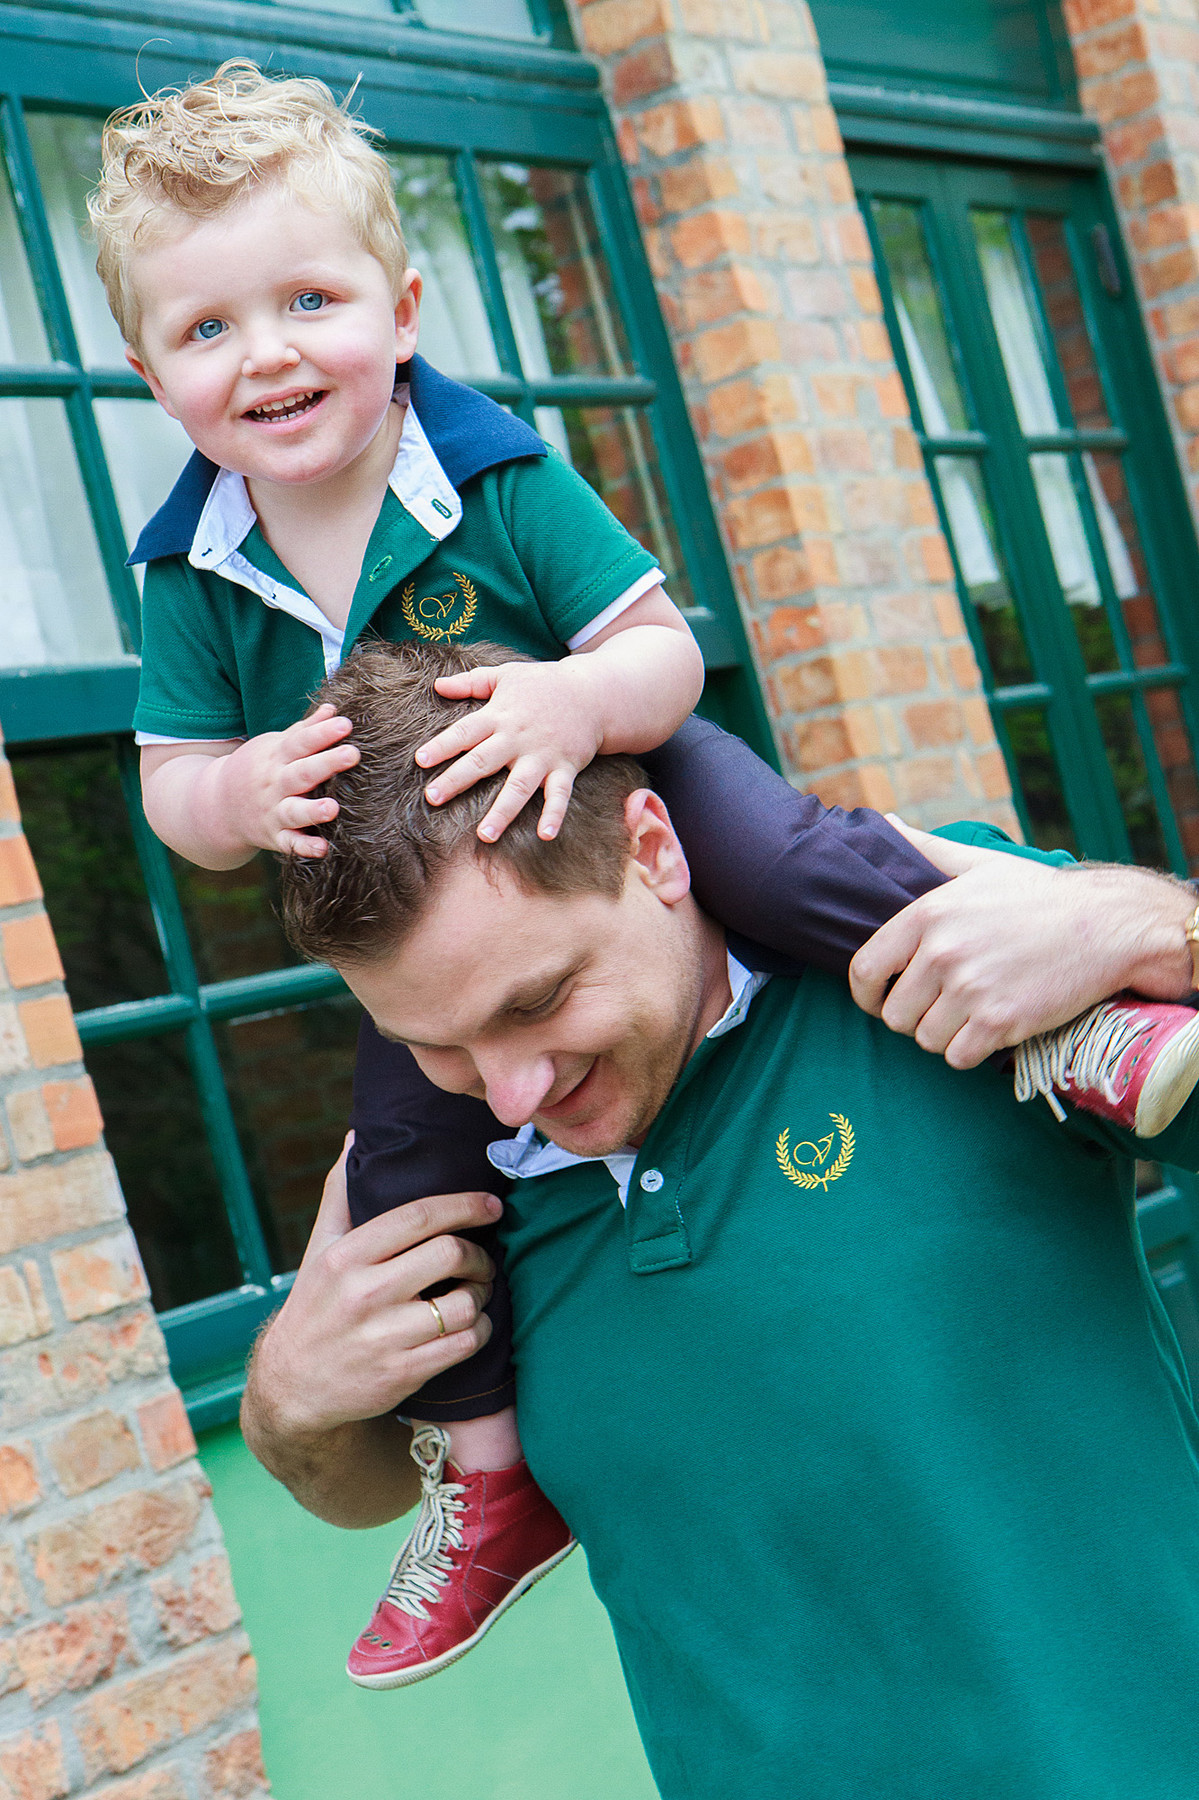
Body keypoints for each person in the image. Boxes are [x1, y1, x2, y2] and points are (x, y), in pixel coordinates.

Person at [87, 59, 1199, 1688]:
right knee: (405, 1147)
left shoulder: (491, 478)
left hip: (616, 765)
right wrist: (289, 1392)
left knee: (796, 858)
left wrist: (1136, 929)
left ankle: (1073, 1034)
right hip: (397, 894)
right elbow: (173, 789)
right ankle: (488, 1477)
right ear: (145, 369)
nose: (265, 355)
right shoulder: (193, 566)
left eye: (306, 301)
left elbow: (657, 659)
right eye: (205, 332)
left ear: (400, 310)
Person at [247, 639, 1199, 1798]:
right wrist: (287, 1404)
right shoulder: (430, 1182)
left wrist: (1159, 929)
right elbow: (375, 1485)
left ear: (653, 851)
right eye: (432, 1043)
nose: (509, 1092)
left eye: (539, 1000)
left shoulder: (944, 949)